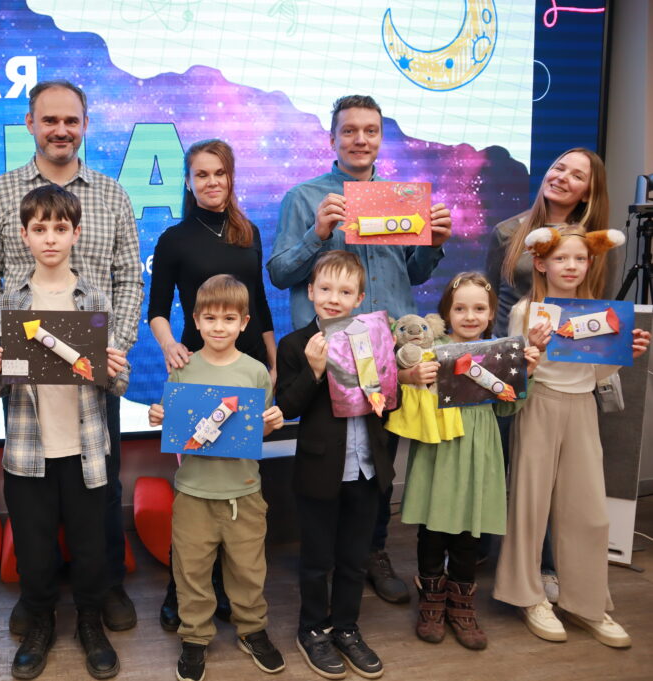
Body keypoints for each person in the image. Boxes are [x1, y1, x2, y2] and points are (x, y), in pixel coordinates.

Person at [266, 94, 452, 605]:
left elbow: (413, 272)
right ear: (332, 139)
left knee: (378, 459)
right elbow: (279, 272)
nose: (360, 139)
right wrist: (318, 233)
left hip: (388, 349)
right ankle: (322, 556)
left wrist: (434, 242)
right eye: (349, 130)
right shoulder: (304, 198)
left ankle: (372, 551)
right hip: (328, 356)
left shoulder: (400, 198)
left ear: (380, 138)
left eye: (370, 130)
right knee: (329, 459)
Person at [0, 79, 144, 632]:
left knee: (102, 484)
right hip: (28, 375)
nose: (61, 130)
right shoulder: (1, 192)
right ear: (30, 124)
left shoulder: (112, 194)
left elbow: (128, 278)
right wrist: (4, 343)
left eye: (71, 120)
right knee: (33, 489)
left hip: (93, 374)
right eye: (50, 120)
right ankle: (37, 599)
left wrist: (114, 348)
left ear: (85, 125)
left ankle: (105, 588)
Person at [0, 185, 129, 680]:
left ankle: (90, 622)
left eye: (60, 228)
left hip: (85, 449)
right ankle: (40, 622)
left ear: (75, 234)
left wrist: (112, 368)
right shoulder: (11, 301)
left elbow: (118, 382)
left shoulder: (94, 297)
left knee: (90, 547)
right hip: (29, 452)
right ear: (23, 236)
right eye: (39, 228)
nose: (49, 238)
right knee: (34, 549)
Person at [493, 226, 649, 648]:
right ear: (541, 263)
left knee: (589, 510)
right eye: (561, 258)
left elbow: (595, 374)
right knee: (529, 506)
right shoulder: (526, 310)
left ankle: (587, 603)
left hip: (582, 407)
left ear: (590, 263)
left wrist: (624, 355)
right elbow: (515, 374)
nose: (571, 266)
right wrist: (533, 349)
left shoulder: (598, 312)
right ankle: (528, 596)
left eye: (580, 258)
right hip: (539, 405)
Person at [147, 138, 275, 630]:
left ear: (231, 176)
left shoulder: (249, 232)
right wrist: (168, 346)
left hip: (245, 365)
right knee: (199, 481)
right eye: (201, 174)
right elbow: (157, 309)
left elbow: (259, 302)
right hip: (195, 367)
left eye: (219, 173)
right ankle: (181, 588)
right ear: (188, 181)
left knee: (235, 476)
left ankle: (225, 584)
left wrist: (271, 361)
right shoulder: (174, 239)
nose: (211, 182)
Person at [148, 274, 286, 681]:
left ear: (244, 323)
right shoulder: (183, 368)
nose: (219, 327)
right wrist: (158, 415)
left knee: (248, 569)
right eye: (210, 318)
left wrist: (271, 423)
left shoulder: (256, 372)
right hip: (193, 492)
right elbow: (174, 424)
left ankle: (252, 629)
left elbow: (256, 431)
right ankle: (194, 636)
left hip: (244, 491)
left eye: (229, 318)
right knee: (191, 570)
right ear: (195, 320)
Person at [274, 251, 397, 679]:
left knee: (354, 558)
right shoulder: (295, 345)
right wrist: (314, 370)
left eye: (345, 292)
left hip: (367, 468)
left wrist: (392, 382)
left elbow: (388, 400)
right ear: (310, 291)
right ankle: (312, 629)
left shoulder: (371, 338)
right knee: (316, 559)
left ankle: (346, 627)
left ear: (359, 298)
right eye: (325, 288)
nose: (333, 298)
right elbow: (287, 407)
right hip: (321, 470)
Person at [400, 272, 538, 650]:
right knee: (433, 531)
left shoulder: (499, 353)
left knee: (468, 535)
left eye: (479, 308)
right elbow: (407, 391)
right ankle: (431, 600)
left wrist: (527, 374)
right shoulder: (432, 349)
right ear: (447, 312)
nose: (470, 316)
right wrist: (414, 376)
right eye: (460, 308)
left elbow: (507, 409)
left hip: (479, 451)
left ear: (491, 313)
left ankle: (462, 604)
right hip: (439, 451)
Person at [485, 147, 618, 336]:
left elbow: (602, 308)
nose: (562, 177)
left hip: (568, 348)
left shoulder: (597, 244)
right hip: (510, 347)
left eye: (577, 176)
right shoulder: (506, 232)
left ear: (588, 194)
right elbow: (489, 300)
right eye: (559, 168)